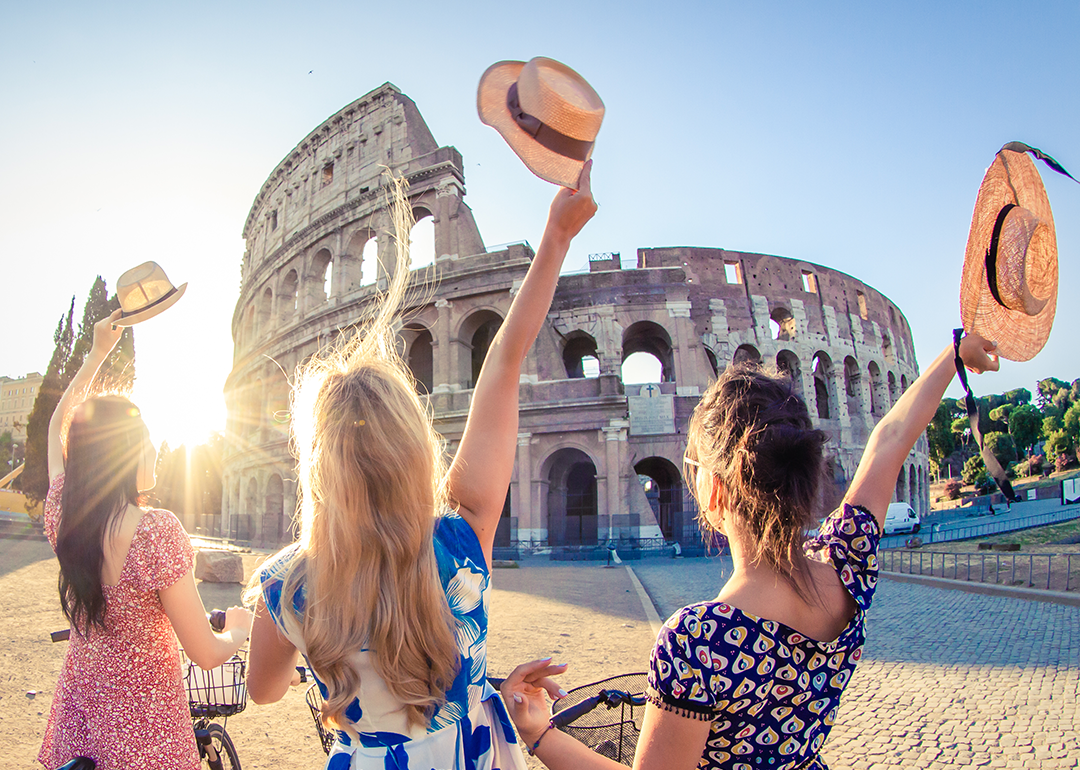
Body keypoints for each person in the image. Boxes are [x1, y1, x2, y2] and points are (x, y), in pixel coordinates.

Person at [500, 333, 999, 770]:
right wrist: (952, 358)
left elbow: (889, 437)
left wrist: (540, 735)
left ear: (715, 491)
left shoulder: (698, 640)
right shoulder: (849, 563)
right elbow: (890, 439)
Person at [245, 164, 598, 769]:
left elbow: (263, 690)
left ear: (317, 466)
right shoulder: (460, 541)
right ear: (416, 451)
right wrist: (556, 239)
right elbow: (505, 362)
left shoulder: (285, 584)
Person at [38, 309, 252, 770]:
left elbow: (56, 429)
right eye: (146, 438)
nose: (154, 446)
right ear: (128, 454)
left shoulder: (63, 514)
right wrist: (238, 628)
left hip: (79, 724)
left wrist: (96, 355)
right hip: (147, 736)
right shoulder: (156, 531)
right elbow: (205, 652)